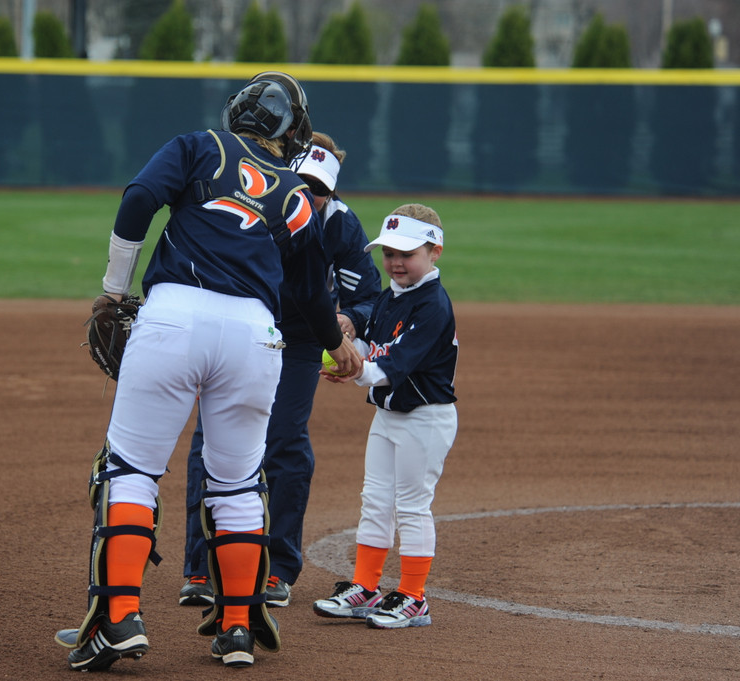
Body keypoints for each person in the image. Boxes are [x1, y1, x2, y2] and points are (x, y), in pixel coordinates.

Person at [61, 71, 362, 671]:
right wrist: (339, 346)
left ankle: (118, 618)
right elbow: (306, 293)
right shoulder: (298, 197)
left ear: (237, 114)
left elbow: (139, 199)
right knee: (238, 482)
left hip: (174, 315)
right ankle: (237, 628)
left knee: (131, 469)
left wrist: (112, 292)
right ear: (294, 134)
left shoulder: (201, 145)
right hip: (256, 337)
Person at [180, 132, 381, 609]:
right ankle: (200, 565)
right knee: (211, 439)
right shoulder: (256, 202)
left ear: (332, 192)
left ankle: (277, 569)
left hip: (301, 339)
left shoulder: (340, 226)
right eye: (302, 182)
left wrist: (349, 320)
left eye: (321, 188)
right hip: (240, 328)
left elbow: (367, 298)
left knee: (285, 440)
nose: (311, 194)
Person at [311, 203, 458, 629]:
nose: (395, 262)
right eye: (388, 253)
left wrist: (351, 366)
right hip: (389, 417)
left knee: (412, 507)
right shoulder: (388, 299)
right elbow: (371, 351)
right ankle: (365, 587)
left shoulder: (433, 306)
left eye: (406, 253)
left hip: (426, 419)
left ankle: (414, 597)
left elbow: (385, 368)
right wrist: (349, 358)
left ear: (435, 252)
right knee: (375, 502)